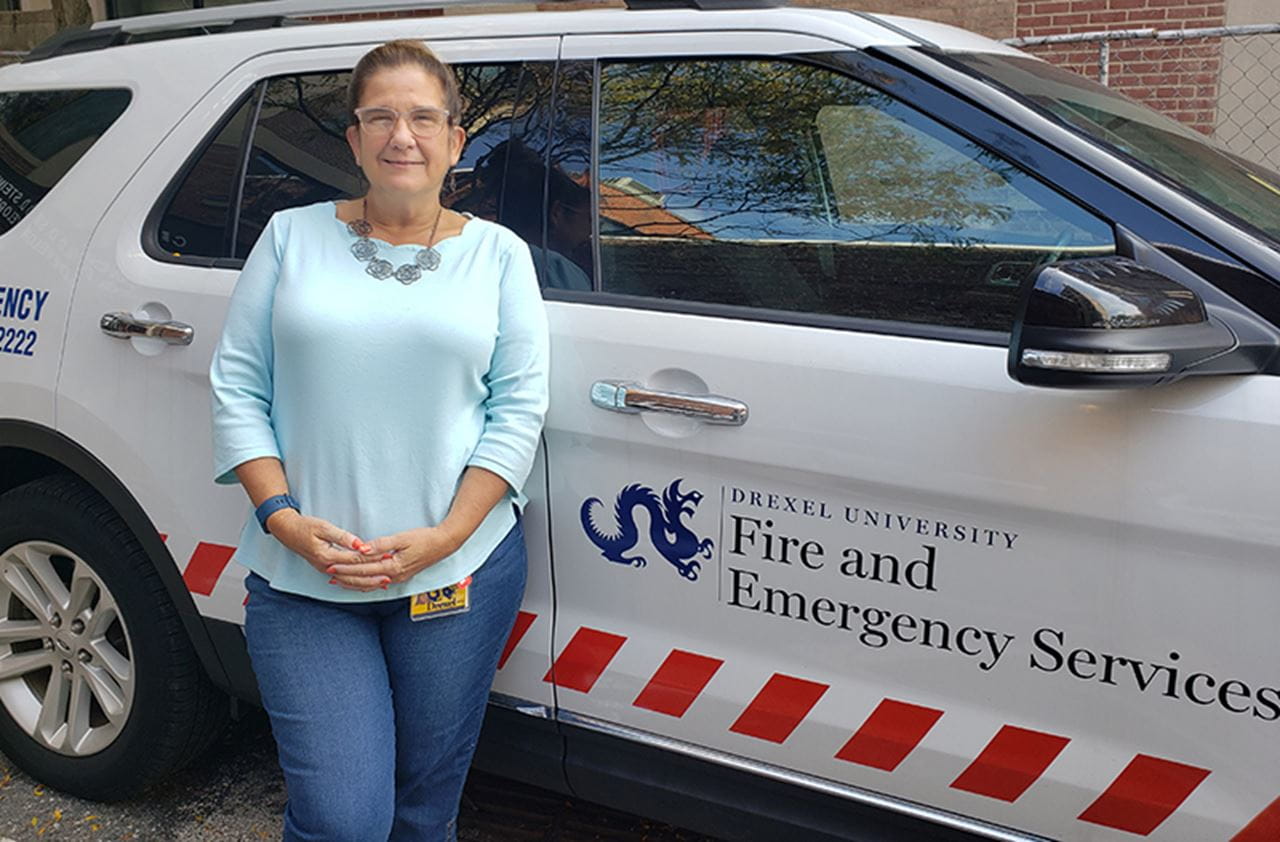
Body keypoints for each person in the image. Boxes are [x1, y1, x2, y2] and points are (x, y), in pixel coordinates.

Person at [209, 39, 549, 842]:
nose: (404, 136)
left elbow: (518, 410)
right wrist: (284, 520)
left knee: (424, 806)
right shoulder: (290, 238)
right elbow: (237, 388)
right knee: (342, 818)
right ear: (354, 138)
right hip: (303, 577)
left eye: (425, 117)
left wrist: (446, 537)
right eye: (381, 117)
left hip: (456, 574)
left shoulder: (501, 257)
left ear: (457, 140)